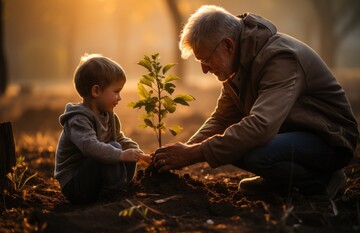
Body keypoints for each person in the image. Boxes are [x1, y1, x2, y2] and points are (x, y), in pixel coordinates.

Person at [154, 5, 359, 198]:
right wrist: (182, 153)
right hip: (292, 134)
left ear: (227, 45)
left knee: (255, 152)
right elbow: (221, 120)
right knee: (231, 142)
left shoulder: (280, 59)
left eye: (206, 60)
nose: (204, 69)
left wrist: (193, 153)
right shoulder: (238, 64)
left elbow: (262, 126)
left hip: (329, 139)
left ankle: (322, 180)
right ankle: (280, 181)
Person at [55, 53, 151, 204]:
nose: (120, 98)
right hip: (75, 185)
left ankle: (121, 187)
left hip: (94, 177)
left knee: (122, 148)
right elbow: (90, 147)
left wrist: (138, 154)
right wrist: (120, 155)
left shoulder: (108, 116)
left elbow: (119, 138)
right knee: (114, 148)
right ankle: (111, 195)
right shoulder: (78, 120)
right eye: (116, 91)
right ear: (96, 91)